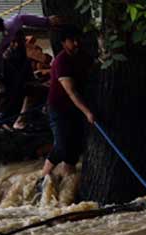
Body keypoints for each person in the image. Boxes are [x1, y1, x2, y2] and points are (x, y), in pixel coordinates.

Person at [37, 24, 94, 194]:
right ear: (63, 43)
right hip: (59, 109)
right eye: (72, 41)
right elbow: (72, 92)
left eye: (78, 40)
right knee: (62, 146)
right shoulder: (61, 61)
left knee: (74, 149)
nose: (76, 43)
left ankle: (67, 187)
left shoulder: (83, 56)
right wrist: (88, 112)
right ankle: (42, 179)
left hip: (75, 110)